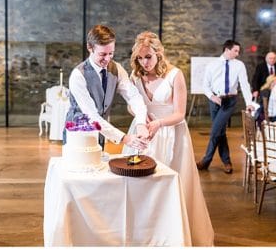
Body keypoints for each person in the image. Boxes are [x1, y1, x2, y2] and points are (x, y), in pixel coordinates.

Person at [124, 32, 213, 246]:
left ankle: (170, 237)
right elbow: (130, 104)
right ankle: (142, 235)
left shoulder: (175, 75)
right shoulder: (135, 77)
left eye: (148, 57)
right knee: (139, 183)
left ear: (158, 53)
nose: (144, 62)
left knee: (172, 185)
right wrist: (140, 115)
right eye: (139, 58)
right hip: (143, 131)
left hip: (172, 132)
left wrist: (159, 123)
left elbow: (180, 113)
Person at [63, 24, 149, 150]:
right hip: (78, 135)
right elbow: (92, 117)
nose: (107, 59)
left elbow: (133, 96)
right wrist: (124, 138)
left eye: (111, 53)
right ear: (90, 48)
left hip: (101, 134)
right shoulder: (78, 75)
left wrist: (141, 122)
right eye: (102, 54)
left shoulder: (117, 69)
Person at [198, 39, 255, 173]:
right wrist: (212, 97)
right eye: (235, 51)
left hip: (230, 101)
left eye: (238, 51)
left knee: (215, 130)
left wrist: (249, 103)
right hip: (215, 100)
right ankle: (227, 162)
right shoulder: (212, 65)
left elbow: (245, 85)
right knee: (220, 132)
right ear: (227, 49)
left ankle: (206, 160)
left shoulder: (239, 65)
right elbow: (205, 85)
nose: (237, 54)